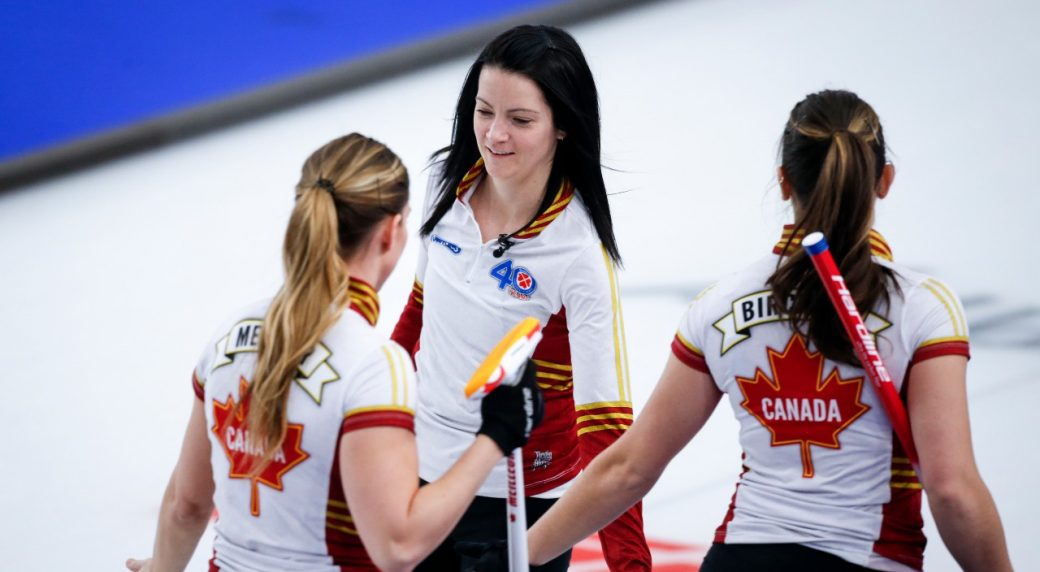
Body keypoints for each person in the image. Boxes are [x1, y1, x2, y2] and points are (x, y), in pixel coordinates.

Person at [518, 90, 1013, 571]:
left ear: (783, 182)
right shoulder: (920, 308)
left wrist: (517, 554)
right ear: (884, 180)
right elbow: (951, 491)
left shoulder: (720, 304)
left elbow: (629, 469)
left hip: (740, 556)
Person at [125, 133, 544, 572]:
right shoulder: (374, 364)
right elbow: (399, 547)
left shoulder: (229, 334)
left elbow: (186, 505)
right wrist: (496, 435)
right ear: (391, 232)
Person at [390, 24, 651, 571]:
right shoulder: (447, 180)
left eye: (521, 120)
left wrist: (631, 566)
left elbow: (607, 429)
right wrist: (372, 427)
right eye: (484, 112)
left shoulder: (579, 253)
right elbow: (416, 321)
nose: (494, 136)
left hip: (518, 509)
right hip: (417, 481)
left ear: (563, 128)